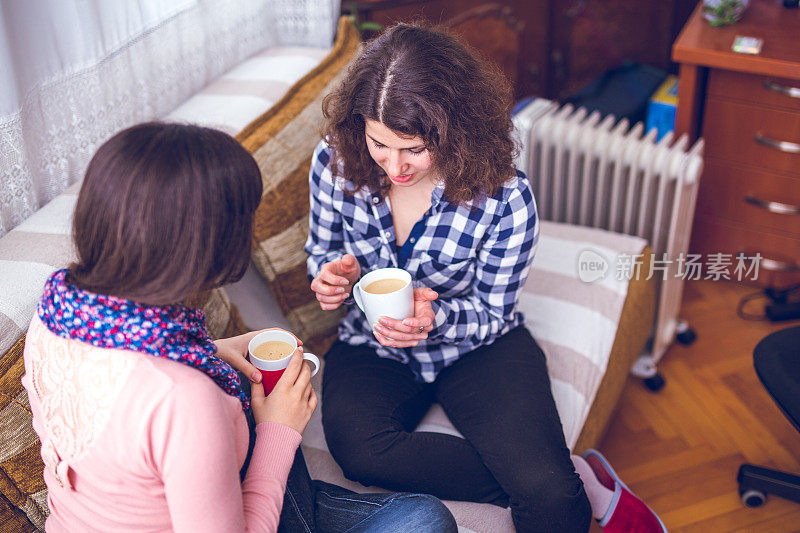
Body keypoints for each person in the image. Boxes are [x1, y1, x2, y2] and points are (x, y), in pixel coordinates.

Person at [306, 23, 667, 533]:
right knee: (362, 454)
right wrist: (329, 279)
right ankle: (562, 479)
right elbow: (320, 251)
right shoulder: (334, 161)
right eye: (379, 144)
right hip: (372, 346)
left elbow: (494, 311)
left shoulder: (504, 196)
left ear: (454, 128)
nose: (394, 166)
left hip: (477, 345)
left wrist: (436, 318)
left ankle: (561, 485)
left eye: (413, 148)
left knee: (554, 502)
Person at [23, 122, 457, 533]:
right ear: (212, 243)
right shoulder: (183, 398)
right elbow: (166, 406)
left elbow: (121, 413)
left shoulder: (55, 313)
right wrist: (279, 431)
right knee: (425, 520)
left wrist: (209, 353)